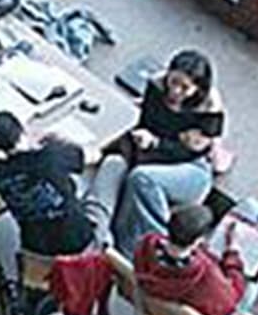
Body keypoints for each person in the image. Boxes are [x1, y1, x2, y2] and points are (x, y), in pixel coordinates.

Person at [95, 49, 224, 250]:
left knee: (141, 178)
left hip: (190, 167)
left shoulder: (208, 108)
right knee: (114, 164)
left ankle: (151, 242)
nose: (176, 92)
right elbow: (145, 122)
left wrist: (156, 142)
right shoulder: (156, 86)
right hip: (153, 156)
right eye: (174, 83)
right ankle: (100, 233)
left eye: (185, 88)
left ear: (197, 89)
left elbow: (190, 150)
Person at [0, 108, 97, 261]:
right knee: (112, 166)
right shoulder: (52, 155)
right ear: (23, 130)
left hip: (35, 252)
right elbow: (94, 155)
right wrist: (62, 141)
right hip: (80, 244)